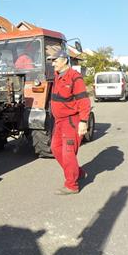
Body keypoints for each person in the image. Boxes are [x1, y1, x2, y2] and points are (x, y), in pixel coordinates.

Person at [49, 50, 91, 195]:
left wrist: (83, 121)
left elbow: (84, 101)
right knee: (55, 148)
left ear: (65, 60)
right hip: (59, 121)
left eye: (55, 60)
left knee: (68, 152)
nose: (52, 63)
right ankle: (77, 172)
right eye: (52, 61)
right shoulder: (57, 76)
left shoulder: (75, 77)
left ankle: (72, 185)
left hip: (71, 121)